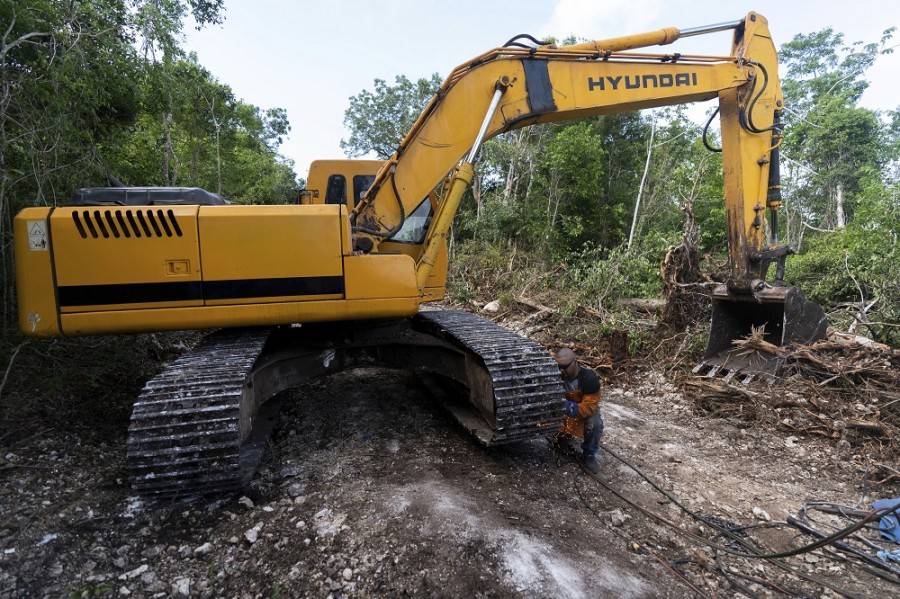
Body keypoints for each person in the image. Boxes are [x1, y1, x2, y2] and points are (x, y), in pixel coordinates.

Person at [553, 348, 603, 474]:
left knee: (594, 424)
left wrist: (569, 407)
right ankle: (561, 438)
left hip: (583, 411)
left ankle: (589, 454)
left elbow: (589, 407)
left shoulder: (589, 379)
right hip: (563, 411)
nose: (561, 371)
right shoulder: (556, 375)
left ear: (575, 361)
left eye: (564, 367)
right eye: (558, 366)